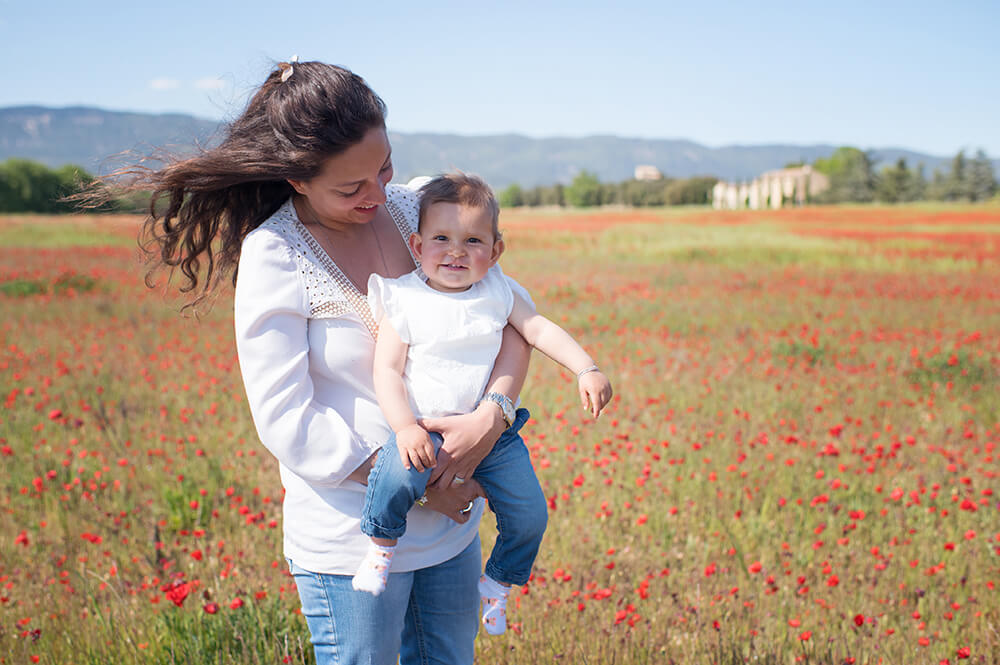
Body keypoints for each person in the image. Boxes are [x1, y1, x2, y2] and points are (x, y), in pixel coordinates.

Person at [128, 59, 535, 665]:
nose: (378, 193)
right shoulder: (275, 255)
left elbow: (510, 317)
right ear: (296, 178)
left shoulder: (425, 210)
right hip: (351, 541)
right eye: (351, 188)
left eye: (384, 167)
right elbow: (287, 419)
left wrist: (495, 415)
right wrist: (422, 483)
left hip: (452, 529)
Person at [351, 173, 613, 637]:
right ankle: (380, 545)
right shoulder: (403, 297)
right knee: (394, 476)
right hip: (424, 428)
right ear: (416, 244)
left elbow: (538, 331)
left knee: (530, 512)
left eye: (473, 240)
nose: (456, 251)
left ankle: (498, 582)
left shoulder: (499, 291)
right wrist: (405, 427)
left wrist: (585, 367)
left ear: (495, 252)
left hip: (493, 436)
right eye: (441, 239)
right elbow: (386, 371)